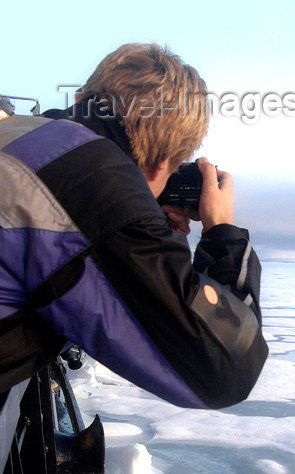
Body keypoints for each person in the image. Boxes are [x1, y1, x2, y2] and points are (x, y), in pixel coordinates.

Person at [0, 43, 268, 409]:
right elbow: (226, 369)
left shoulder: (24, 134)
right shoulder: (93, 183)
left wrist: (149, 228)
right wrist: (222, 232)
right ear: (161, 163)